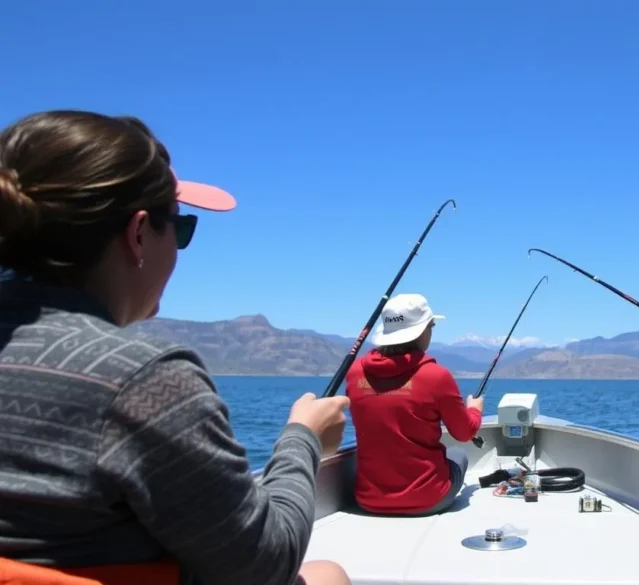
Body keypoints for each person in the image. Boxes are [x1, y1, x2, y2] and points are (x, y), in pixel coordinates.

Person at [0, 110, 351, 585]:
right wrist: (303, 439)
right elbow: (265, 566)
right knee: (328, 574)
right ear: (139, 233)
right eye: (182, 229)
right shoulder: (141, 377)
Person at [345, 293, 484, 516]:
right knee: (458, 454)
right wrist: (474, 409)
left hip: (368, 500)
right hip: (428, 499)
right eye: (432, 326)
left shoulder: (354, 373)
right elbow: (464, 432)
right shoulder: (436, 376)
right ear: (421, 332)